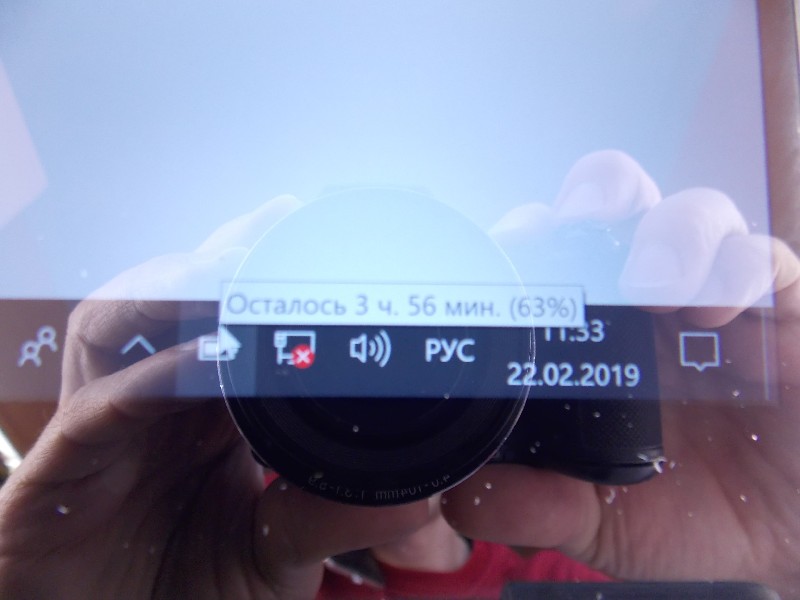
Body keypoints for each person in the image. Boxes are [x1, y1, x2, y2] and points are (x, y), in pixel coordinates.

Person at [1, 148, 799, 600]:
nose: (383, 346)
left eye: (435, 314)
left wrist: (784, 537)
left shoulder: (574, 572)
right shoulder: (218, 560)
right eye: (343, 315)